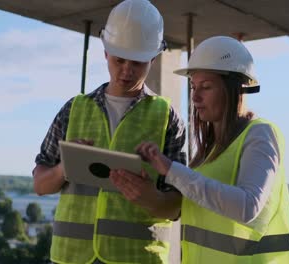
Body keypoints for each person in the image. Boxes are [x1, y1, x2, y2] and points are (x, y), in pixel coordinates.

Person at [113, 36, 289, 263]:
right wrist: (150, 190)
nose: (195, 97)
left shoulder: (260, 135)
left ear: (235, 89)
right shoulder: (208, 152)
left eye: (206, 87)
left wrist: (173, 171)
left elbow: (247, 206)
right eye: (193, 87)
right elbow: (200, 202)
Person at [32, 0, 186, 263]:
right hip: (73, 257)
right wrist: (64, 169)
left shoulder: (167, 117)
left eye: (137, 62)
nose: (126, 70)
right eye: (119, 60)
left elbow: (176, 206)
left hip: (136, 258)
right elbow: (40, 184)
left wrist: (151, 197)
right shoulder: (74, 109)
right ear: (105, 53)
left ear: (152, 58)